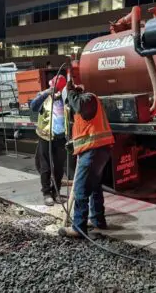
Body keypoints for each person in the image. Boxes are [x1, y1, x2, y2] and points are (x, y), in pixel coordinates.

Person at [59, 82, 114, 238]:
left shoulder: (88, 99)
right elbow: (86, 129)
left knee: (81, 188)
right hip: (95, 149)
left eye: (69, 101)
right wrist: (74, 143)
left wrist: (69, 91)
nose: (69, 106)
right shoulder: (83, 106)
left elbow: (79, 105)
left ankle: (78, 228)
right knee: (95, 186)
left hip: (94, 150)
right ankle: (97, 220)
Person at [30, 75, 67, 206]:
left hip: (60, 137)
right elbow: (33, 107)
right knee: (45, 167)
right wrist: (45, 93)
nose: (56, 90)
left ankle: (56, 192)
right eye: (54, 87)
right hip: (45, 137)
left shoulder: (65, 99)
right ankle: (46, 193)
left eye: (58, 88)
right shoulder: (44, 98)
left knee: (59, 167)